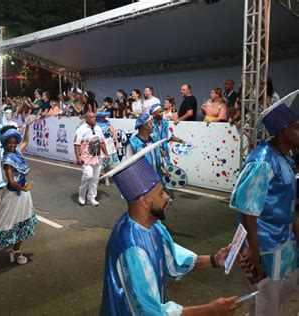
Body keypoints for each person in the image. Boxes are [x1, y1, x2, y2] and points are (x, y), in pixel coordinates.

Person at [100, 142, 241, 315]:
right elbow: (150, 312)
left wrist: (215, 260)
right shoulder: (132, 248)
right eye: (161, 193)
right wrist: (209, 311)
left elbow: (173, 260)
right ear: (144, 201)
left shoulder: (152, 226)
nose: (168, 197)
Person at [230, 90, 299, 316]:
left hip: (282, 237)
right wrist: (253, 248)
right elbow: (247, 207)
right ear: (281, 132)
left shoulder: (284, 157)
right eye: (296, 127)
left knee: (289, 282)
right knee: (268, 298)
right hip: (264, 241)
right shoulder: (263, 161)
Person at [0, 117, 37, 281]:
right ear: (4, 144)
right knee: (0, 226)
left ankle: (16, 250)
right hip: (13, 194)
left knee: (24, 222)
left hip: (24, 195)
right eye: (9, 143)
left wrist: (28, 127)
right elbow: (11, 181)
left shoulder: (17, 152)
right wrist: (24, 188)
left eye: (14, 142)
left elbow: (25, 141)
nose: (12, 145)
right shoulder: (7, 159)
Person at [74, 112, 110, 206]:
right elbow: (76, 144)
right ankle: (81, 196)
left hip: (97, 158)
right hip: (85, 158)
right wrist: (78, 157)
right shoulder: (81, 129)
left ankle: (91, 198)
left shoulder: (98, 128)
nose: (94, 118)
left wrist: (106, 154)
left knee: (95, 179)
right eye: (92, 117)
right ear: (86, 119)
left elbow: (102, 142)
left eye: (94, 117)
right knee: (88, 175)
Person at [126, 113, 166, 182]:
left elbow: (156, 158)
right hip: (144, 183)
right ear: (144, 125)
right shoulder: (132, 143)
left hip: (158, 180)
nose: (153, 126)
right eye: (151, 124)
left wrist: (162, 168)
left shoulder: (154, 139)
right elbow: (130, 166)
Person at [96, 112, 120, 186]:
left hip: (108, 142)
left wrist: (117, 142)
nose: (104, 118)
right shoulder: (95, 124)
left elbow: (113, 133)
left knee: (108, 161)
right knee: (99, 161)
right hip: (99, 142)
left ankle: (106, 178)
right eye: (102, 116)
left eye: (105, 116)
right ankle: (98, 177)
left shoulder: (108, 123)